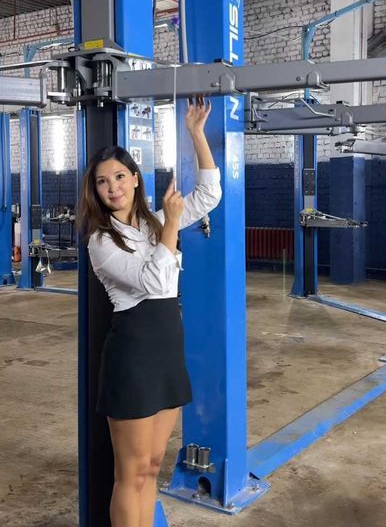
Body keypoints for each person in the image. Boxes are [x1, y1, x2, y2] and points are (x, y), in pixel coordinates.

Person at [76, 98, 221, 527]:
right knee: (132, 473)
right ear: (95, 191)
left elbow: (209, 194)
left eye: (120, 176)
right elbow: (154, 283)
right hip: (133, 356)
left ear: (135, 179)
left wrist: (196, 134)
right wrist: (172, 224)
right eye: (103, 182)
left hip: (167, 351)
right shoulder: (101, 241)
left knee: (154, 466)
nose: (113, 187)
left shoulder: (153, 223)